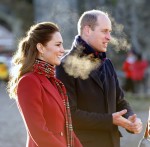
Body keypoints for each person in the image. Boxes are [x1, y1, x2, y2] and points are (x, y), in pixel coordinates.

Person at [56, 10, 143, 147]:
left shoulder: (107, 63)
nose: (109, 37)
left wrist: (131, 119)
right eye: (104, 31)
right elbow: (69, 115)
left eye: (110, 31)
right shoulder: (64, 65)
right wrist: (110, 120)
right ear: (87, 30)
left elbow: (119, 101)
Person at [7, 22, 82, 147]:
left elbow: (67, 130)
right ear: (41, 48)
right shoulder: (29, 81)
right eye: (58, 45)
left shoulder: (54, 82)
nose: (63, 50)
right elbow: (38, 132)